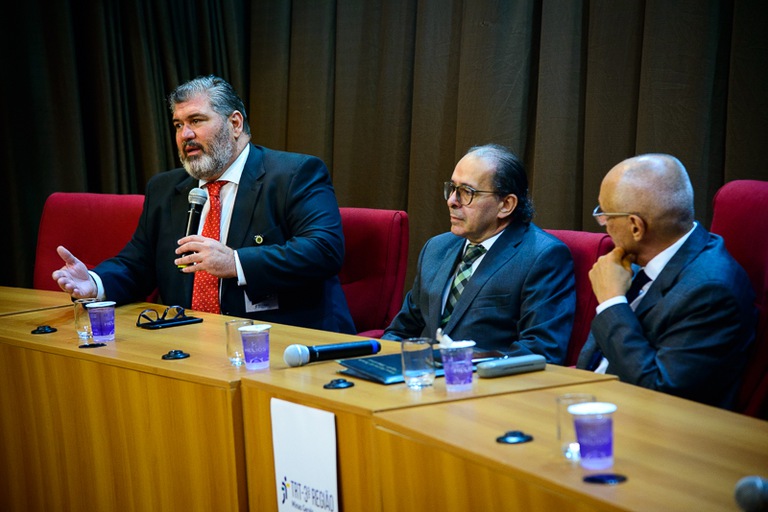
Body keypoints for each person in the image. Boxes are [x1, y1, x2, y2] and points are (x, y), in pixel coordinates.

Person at [52, 75, 355, 334]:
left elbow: (324, 250)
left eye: (196, 121)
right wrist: (95, 283)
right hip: (188, 341)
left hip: (280, 338)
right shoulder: (164, 189)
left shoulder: (293, 174)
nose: (185, 135)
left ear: (235, 123)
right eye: (178, 124)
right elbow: (137, 265)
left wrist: (235, 262)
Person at [576, 153, 755, 409]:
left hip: (650, 420)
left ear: (635, 227)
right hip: (593, 397)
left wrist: (611, 304)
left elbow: (660, 390)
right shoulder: (639, 257)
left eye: (605, 214)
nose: (603, 224)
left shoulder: (710, 290)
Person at [382, 144, 576, 363]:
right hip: (421, 377)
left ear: (506, 204)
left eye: (467, 192)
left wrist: (456, 367)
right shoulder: (436, 248)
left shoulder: (542, 256)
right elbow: (401, 331)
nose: (452, 201)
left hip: (484, 381)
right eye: (452, 188)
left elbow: (540, 351)